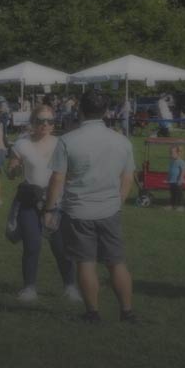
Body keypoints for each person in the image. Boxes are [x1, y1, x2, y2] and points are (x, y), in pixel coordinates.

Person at [43, 91, 137, 323]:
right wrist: (119, 202)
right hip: (109, 209)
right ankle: (127, 311)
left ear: (80, 110)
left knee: (86, 262)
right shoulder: (121, 140)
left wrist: (49, 208)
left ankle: (92, 313)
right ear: (106, 111)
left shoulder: (68, 140)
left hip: (78, 211)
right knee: (116, 262)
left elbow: (57, 178)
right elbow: (128, 177)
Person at [5, 106, 76, 303]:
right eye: (40, 120)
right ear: (32, 122)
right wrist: (14, 169)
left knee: (61, 247)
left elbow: (69, 173)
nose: (45, 124)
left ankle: (70, 287)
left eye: (50, 121)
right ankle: (29, 288)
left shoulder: (62, 144)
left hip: (57, 201)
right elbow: (10, 173)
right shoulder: (22, 144)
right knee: (32, 245)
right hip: (30, 200)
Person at [166, 144, 185, 211]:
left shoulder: (181, 162)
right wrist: (168, 178)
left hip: (178, 181)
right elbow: (170, 170)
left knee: (179, 193)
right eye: (170, 153)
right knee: (172, 193)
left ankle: (180, 206)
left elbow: (183, 171)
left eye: (172, 153)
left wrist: (180, 179)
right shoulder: (172, 162)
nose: (171, 154)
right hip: (172, 181)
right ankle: (172, 205)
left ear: (178, 153)